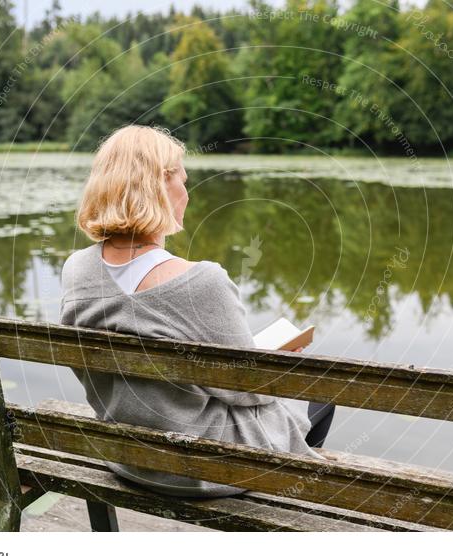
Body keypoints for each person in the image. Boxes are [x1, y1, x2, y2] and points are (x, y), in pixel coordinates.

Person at [59, 125, 335, 497]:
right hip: (202, 467)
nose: (186, 194)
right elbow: (250, 390)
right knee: (319, 391)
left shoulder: (77, 270)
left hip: (127, 455)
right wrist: (276, 361)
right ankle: (283, 508)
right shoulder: (200, 282)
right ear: (160, 186)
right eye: (183, 181)